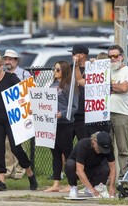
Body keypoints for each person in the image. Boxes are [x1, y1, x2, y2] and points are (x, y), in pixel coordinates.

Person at [0, 50, 38, 191]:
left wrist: (30, 107)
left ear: (1, 65)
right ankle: (1, 181)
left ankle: (30, 174)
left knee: (16, 148)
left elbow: (23, 94)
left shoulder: (11, 78)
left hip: (11, 120)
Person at [44, 60, 78, 192]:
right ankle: (56, 183)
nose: (55, 72)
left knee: (68, 153)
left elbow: (74, 106)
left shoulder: (70, 85)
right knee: (55, 154)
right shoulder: (52, 84)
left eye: (58, 69)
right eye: (54, 69)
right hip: (52, 124)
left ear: (64, 71)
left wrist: (62, 114)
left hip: (65, 124)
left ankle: (71, 183)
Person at [71, 45, 110, 140]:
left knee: (85, 140)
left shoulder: (93, 68)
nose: (72, 56)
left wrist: (94, 64)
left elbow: (81, 80)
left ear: (82, 55)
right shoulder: (70, 68)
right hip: (72, 111)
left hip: (85, 112)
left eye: (74, 54)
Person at [3, 49, 31, 179]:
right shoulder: (2, 74)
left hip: (20, 113)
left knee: (19, 142)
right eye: (6, 59)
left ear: (16, 60)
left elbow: (31, 91)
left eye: (10, 59)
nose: (7, 61)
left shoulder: (24, 74)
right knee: (7, 143)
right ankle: (9, 169)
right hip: (6, 112)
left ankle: (20, 170)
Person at [108, 44, 128, 178]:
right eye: (110, 56)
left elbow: (124, 88)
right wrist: (115, 87)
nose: (113, 58)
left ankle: (123, 177)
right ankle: (107, 177)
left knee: (122, 148)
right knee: (105, 147)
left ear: (122, 57)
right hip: (104, 113)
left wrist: (107, 87)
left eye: (115, 56)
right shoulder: (107, 70)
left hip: (121, 113)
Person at [65, 131, 116, 198]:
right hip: (78, 169)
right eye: (100, 148)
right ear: (93, 141)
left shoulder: (108, 147)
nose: (101, 151)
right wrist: (92, 190)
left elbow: (112, 167)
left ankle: (94, 187)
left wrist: (112, 186)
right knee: (70, 164)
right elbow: (79, 170)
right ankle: (73, 187)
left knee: (105, 168)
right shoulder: (83, 145)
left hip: (93, 168)